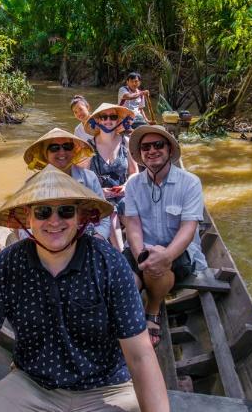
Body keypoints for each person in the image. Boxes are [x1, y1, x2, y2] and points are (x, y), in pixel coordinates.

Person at [0, 165, 169, 412]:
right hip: (32, 384)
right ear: (27, 218)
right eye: (42, 212)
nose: (54, 221)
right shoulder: (5, 267)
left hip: (107, 387)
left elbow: (140, 356)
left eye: (65, 211)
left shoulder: (109, 264)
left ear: (80, 217)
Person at [122, 125, 207, 348]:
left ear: (169, 149)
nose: (152, 151)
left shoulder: (190, 182)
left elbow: (188, 228)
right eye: (145, 147)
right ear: (140, 154)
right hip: (142, 248)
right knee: (125, 280)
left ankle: (153, 308)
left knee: (158, 266)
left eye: (158, 145)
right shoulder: (133, 184)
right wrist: (141, 253)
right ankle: (128, 311)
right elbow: (132, 224)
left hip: (179, 252)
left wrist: (167, 255)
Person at [23, 127, 111, 240]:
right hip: (47, 240)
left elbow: (104, 217)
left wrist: (97, 238)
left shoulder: (89, 178)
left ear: (74, 151)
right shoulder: (32, 184)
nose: (62, 152)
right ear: (46, 153)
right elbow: (24, 224)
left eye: (67, 147)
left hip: (88, 237)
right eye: (54, 148)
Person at [83, 103, 138, 250]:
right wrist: (101, 191)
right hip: (98, 196)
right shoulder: (89, 147)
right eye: (104, 117)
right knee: (111, 212)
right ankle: (120, 253)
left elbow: (135, 172)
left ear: (118, 120)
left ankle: (136, 248)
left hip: (123, 193)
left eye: (113, 117)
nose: (108, 120)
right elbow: (82, 179)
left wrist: (126, 186)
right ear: (98, 121)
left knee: (130, 209)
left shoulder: (125, 142)